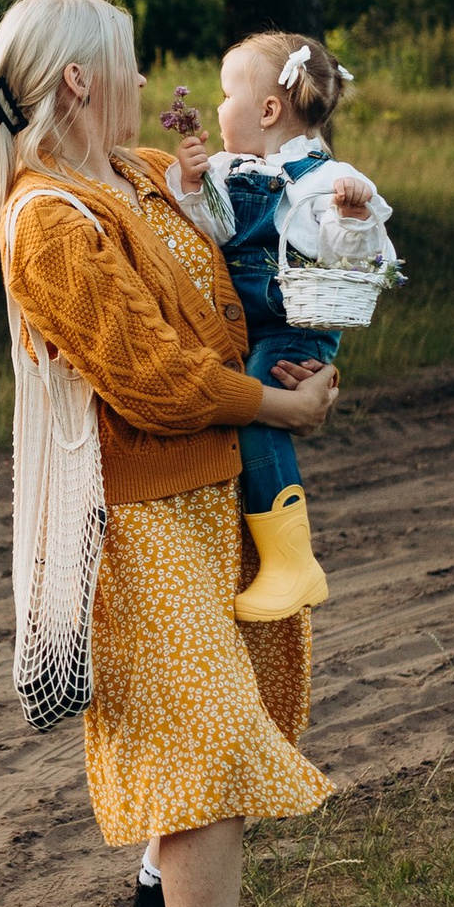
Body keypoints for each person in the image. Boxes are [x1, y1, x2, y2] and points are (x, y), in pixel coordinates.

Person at [0, 0, 335, 907]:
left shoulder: (123, 174)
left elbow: (235, 281)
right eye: (121, 62)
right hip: (128, 519)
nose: (139, 78)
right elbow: (153, 379)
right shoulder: (52, 220)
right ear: (77, 79)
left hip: (206, 497)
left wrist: (297, 356)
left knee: (203, 738)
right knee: (206, 750)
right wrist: (272, 410)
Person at [167, 31, 385, 618]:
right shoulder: (228, 168)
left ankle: (292, 562)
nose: (215, 108)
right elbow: (209, 231)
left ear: (267, 111)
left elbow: (351, 255)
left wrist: (352, 215)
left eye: (225, 94)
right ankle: (264, 550)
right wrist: (192, 185)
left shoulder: (322, 179)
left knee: (260, 409)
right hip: (242, 325)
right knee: (245, 410)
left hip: (292, 328)